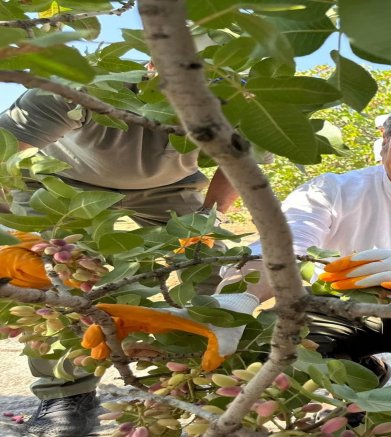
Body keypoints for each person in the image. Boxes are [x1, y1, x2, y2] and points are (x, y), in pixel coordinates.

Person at [80, 94, 391, 412]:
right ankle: (361, 382)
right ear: (386, 143)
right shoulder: (332, 189)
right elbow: (285, 244)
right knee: (305, 358)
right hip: (338, 306)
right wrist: (238, 301)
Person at [0, 87, 255, 436]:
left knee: (214, 261)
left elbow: (238, 165)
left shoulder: (243, 102)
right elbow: (3, 155)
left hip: (170, 188)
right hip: (61, 182)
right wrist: (10, 232)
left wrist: (210, 220)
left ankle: (209, 378)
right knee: (47, 273)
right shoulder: (67, 92)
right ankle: (66, 397)